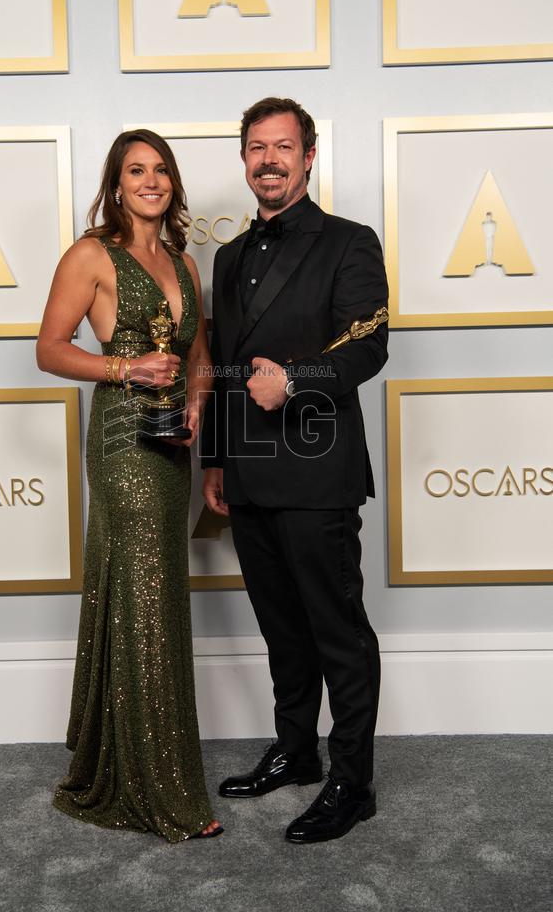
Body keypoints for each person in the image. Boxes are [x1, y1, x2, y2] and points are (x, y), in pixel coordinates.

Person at [201, 97, 388, 844]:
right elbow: (218, 369)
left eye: (283, 146)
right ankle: (297, 751)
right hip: (246, 472)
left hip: (318, 474)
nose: (268, 159)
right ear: (244, 159)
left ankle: (353, 780)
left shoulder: (350, 242)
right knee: (282, 629)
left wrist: (298, 377)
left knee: (337, 632)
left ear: (309, 157)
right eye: (256, 147)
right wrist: (216, 460)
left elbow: (369, 345)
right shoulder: (227, 255)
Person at [37, 129, 222, 842]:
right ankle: (159, 792)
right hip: (121, 442)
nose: (152, 181)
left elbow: (198, 354)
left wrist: (199, 405)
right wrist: (125, 370)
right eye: (136, 170)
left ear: (173, 184)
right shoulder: (91, 255)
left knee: (154, 597)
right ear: (117, 184)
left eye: (162, 170)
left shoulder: (184, 262)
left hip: (171, 444)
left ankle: (126, 759)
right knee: (146, 604)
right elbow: (50, 349)